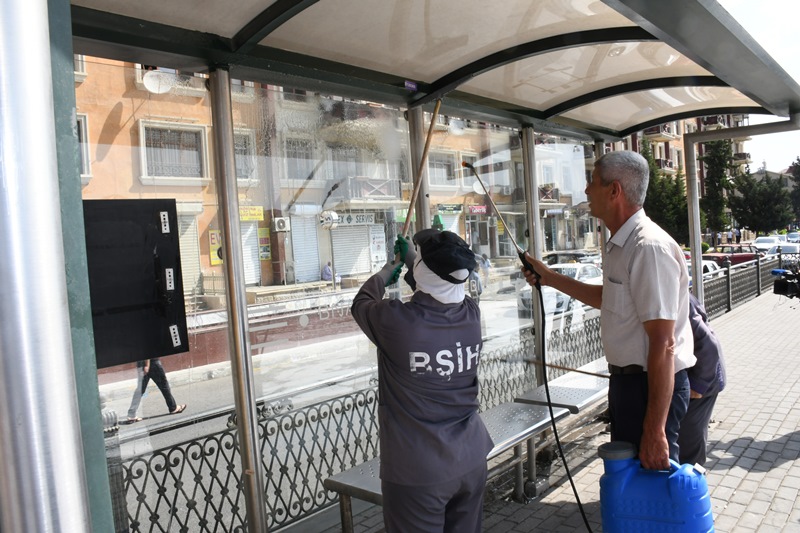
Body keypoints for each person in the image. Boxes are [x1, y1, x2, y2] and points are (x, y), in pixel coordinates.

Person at [522, 150, 695, 470]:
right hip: (629, 386)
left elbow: (663, 342)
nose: (586, 189)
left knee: (651, 484)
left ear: (614, 190)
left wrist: (655, 430)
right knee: (632, 485)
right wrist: (549, 277)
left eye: (593, 181)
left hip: (648, 388)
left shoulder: (648, 247)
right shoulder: (622, 244)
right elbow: (611, 299)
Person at [351, 229, 493, 533]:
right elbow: (440, 287)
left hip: (418, 471)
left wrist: (387, 271)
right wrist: (414, 261)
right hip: (471, 458)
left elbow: (361, 302)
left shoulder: (397, 322)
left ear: (422, 273)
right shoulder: (471, 313)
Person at [678, 294, 726, 466]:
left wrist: (698, 385)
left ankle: (693, 479)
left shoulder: (680, 300)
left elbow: (709, 346)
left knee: (689, 443)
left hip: (703, 381)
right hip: (698, 377)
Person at [126, 358, 186, 423]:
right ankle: (173, 408)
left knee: (140, 389)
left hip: (141, 363)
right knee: (164, 385)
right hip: (152, 362)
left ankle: (131, 415)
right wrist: (147, 365)